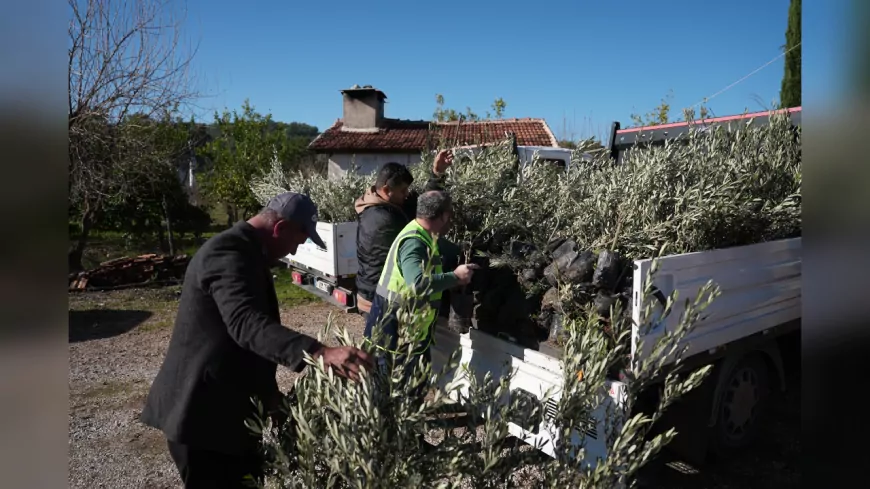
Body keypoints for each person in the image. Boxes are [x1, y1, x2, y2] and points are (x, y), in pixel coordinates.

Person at [141, 192, 373, 489]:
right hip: (202, 418)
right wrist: (319, 352)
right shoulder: (226, 253)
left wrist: (269, 394)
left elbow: (245, 341)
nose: (295, 250)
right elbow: (245, 324)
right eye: (298, 241)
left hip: (228, 416)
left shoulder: (248, 252)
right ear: (279, 229)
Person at [363, 190, 478, 394]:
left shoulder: (424, 233)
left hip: (411, 333)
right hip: (393, 334)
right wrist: (455, 277)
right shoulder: (414, 242)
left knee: (414, 387)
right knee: (390, 393)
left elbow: (443, 249)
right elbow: (416, 283)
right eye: (449, 215)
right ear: (443, 216)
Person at [354, 150, 457, 317]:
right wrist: (456, 254)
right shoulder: (383, 219)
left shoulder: (387, 205)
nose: (407, 194)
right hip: (380, 300)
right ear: (387, 190)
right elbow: (419, 238)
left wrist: (437, 173)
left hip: (374, 294)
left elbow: (422, 205)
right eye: (403, 191)